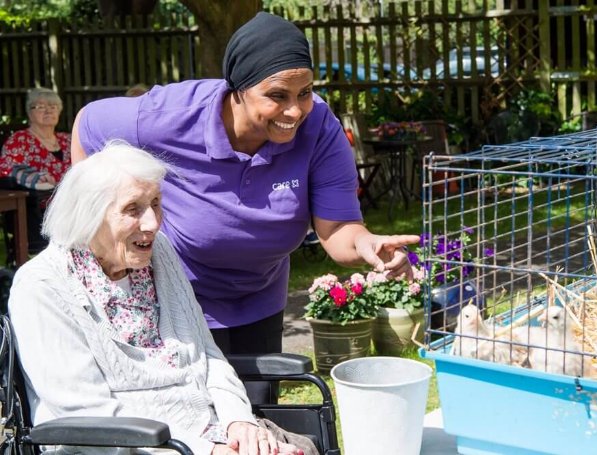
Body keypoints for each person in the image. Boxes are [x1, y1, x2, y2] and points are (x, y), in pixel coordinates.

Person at [69, 12, 419, 399]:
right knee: (194, 420)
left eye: (304, 92)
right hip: (173, 298)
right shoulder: (168, 117)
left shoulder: (319, 126)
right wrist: (105, 235)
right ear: (236, 89)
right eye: (277, 96)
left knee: (258, 418)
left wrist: (366, 244)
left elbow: (337, 231)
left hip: (259, 296)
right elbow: (88, 125)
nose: (296, 111)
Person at [8, 142, 314, 455]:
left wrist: (239, 423)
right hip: (122, 447)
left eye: (156, 203)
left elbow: (205, 354)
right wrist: (204, 450)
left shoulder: (158, 253)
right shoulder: (43, 286)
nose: (153, 223)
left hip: (210, 433)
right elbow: (86, 412)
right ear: (89, 216)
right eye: (132, 209)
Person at [1, 87, 71, 253]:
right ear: (29, 112)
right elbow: (6, 169)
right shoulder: (19, 140)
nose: (48, 110)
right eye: (40, 106)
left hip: (75, 203)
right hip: (41, 210)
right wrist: (38, 178)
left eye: (53, 106)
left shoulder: (68, 140)